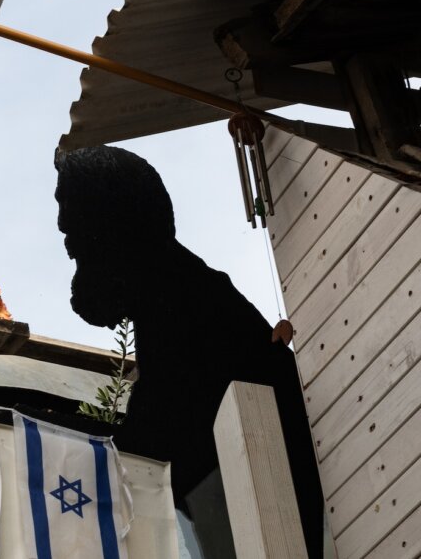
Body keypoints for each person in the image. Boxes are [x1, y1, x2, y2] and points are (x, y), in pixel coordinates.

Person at [54, 145, 323, 558]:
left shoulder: (184, 300)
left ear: (116, 222)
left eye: (72, 218)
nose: (65, 235)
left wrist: (27, 424)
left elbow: (149, 446)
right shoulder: (176, 295)